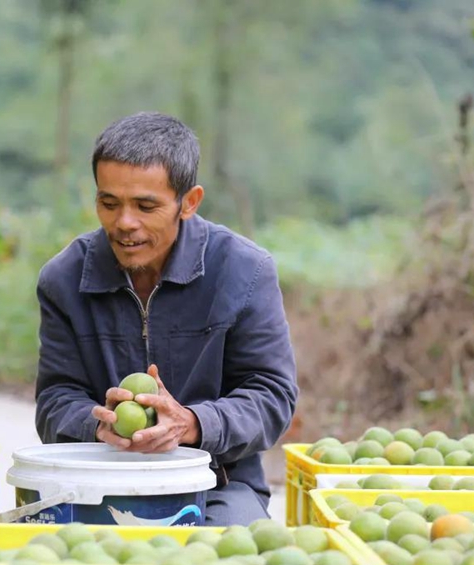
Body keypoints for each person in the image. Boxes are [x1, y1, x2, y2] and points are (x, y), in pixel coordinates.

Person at [34, 111, 298, 525]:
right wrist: (96, 425)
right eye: (109, 203)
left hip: (219, 484)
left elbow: (272, 396)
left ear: (188, 202)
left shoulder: (244, 271)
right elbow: (54, 400)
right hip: (99, 482)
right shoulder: (64, 279)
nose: (124, 223)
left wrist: (193, 424)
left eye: (145, 206)